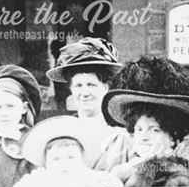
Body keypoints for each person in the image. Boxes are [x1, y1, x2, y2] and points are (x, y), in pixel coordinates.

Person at [101, 56, 189, 186]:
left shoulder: (176, 175)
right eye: (139, 129)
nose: (144, 137)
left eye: (155, 130)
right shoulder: (128, 167)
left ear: (173, 138)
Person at [45, 37, 128, 171]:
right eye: (78, 85)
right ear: (71, 89)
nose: (85, 92)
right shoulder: (62, 133)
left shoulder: (122, 137)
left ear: (105, 88)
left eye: (91, 85)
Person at [9, 116, 122, 187]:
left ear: (81, 158)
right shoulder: (41, 178)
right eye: (56, 159)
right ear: (46, 161)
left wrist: (108, 185)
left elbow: (115, 183)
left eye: (71, 157)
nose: (64, 163)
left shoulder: (89, 176)